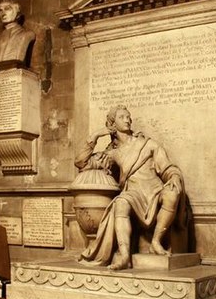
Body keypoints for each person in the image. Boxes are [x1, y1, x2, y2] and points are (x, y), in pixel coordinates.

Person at [74, 105, 188, 270]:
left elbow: (167, 168)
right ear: (112, 124)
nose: (127, 119)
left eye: (128, 117)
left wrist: (174, 177)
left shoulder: (148, 144)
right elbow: (81, 163)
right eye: (122, 117)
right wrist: (95, 136)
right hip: (133, 193)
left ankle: (156, 242)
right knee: (121, 203)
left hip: (155, 190)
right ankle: (125, 256)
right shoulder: (112, 153)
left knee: (171, 193)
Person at [0, 0, 36, 72]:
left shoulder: (26, 35)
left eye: (7, 9)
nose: (3, 14)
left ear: (17, 12)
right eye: (0, 10)